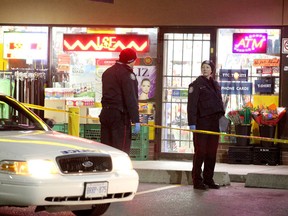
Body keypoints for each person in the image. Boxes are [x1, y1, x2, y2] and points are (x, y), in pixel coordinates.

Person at [187, 60, 225, 190]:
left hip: (215, 122)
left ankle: (209, 179)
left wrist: (223, 122)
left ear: (212, 70)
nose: (204, 69)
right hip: (202, 122)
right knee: (201, 152)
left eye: (207, 67)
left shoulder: (216, 84)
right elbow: (191, 105)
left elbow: (220, 103)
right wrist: (192, 123)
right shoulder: (196, 85)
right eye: (203, 67)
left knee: (211, 153)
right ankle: (197, 181)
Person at [99, 48, 141, 154]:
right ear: (131, 61)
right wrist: (135, 120)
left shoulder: (107, 72)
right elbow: (131, 98)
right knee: (120, 151)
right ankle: (119, 170)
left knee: (106, 149)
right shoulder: (127, 74)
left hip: (105, 114)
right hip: (120, 117)